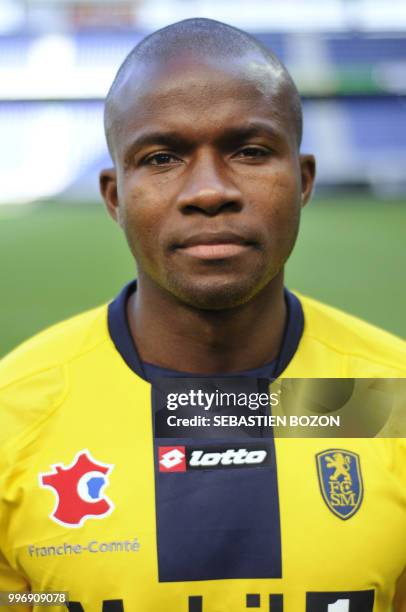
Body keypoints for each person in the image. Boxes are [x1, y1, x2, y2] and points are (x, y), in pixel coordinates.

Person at [0, 17, 405, 612]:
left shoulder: (388, 395)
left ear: (303, 180)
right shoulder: (13, 413)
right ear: (115, 197)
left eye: (250, 151)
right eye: (163, 157)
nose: (210, 190)